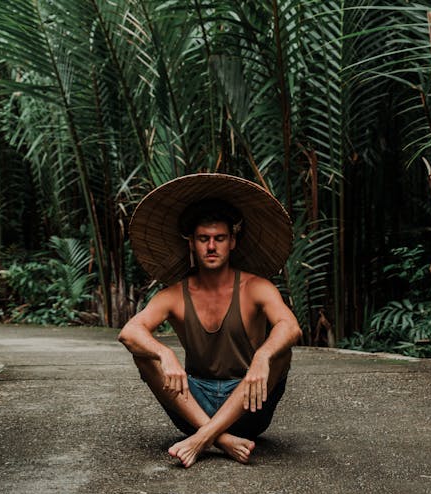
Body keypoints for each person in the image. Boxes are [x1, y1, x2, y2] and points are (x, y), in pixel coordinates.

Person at [118, 173, 302, 468]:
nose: (212, 247)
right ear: (192, 243)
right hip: (194, 404)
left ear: (233, 242)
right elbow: (130, 332)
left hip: (248, 403)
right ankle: (219, 438)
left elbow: (290, 326)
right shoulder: (174, 295)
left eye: (219, 238)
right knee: (144, 356)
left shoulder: (256, 287)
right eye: (204, 239)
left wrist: (263, 357)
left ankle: (203, 439)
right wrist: (164, 353)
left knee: (282, 353)